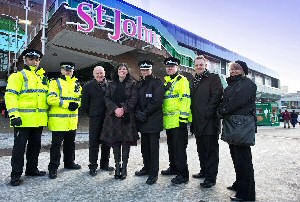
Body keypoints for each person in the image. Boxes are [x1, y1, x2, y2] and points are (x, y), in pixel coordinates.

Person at [5, 49, 48, 186]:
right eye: (31, 59)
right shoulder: (17, 76)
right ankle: (15, 175)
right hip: (22, 120)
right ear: (25, 60)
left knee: (35, 147)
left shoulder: (42, 78)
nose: (34, 62)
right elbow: (10, 96)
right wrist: (14, 114)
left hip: (38, 120)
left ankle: (31, 169)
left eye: (37, 59)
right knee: (19, 148)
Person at [218, 60, 256, 201]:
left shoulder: (247, 84)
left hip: (241, 125)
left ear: (243, 71)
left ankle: (246, 195)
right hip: (233, 125)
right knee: (236, 158)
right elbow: (224, 100)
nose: (233, 71)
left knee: (243, 160)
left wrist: (222, 111)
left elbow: (236, 102)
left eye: (237, 69)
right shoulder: (232, 84)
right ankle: (240, 184)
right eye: (232, 69)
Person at [101, 63, 139, 180]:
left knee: (126, 143)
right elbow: (106, 98)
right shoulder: (111, 84)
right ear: (117, 71)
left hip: (127, 117)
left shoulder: (133, 84)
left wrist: (123, 109)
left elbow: (134, 99)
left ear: (127, 71)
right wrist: (115, 109)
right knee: (115, 143)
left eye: (124, 69)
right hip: (113, 117)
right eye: (120, 69)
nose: (122, 70)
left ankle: (125, 168)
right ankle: (117, 167)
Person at [190, 55, 223, 188]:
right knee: (201, 149)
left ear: (206, 65)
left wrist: (206, 114)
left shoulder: (213, 78)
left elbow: (216, 97)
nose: (199, 67)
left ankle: (211, 177)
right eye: (197, 65)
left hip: (209, 122)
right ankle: (204, 171)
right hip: (197, 121)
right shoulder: (193, 81)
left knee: (211, 151)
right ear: (194, 66)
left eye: (201, 65)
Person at [47, 62, 82, 179]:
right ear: (61, 70)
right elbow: (51, 99)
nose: (68, 71)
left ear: (73, 71)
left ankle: (69, 163)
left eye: (70, 70)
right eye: (65, 69)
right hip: (58, 121)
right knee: (56, 145)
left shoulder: (76, 83)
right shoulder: (54, 82)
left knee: (70, 144)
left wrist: (76, 104)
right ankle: (53, 168)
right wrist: (67, 104)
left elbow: (80, 99)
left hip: (72, 121)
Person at [161, 57, 191, 184]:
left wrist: (183, 118)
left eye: (172, 67)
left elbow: (186, 99)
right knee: (171, 148)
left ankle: (183, 174)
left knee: (179, 150)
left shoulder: (182, 81)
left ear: (177, 67)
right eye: (168, 67)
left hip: (179, 121)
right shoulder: (166, 81)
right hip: (169, 122)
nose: (169, 68)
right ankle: (173, 168)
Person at [134, 60, 165, 185]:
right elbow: (135, 99)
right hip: (142, 121)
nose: (145, 71)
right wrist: (137, 113)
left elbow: (157, 101)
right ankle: (146, 168)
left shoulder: (157, 83)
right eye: (143, 70)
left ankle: (153, 173)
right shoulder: (140, 84)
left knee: (153, 149)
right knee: (144, 147)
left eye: (147, 69)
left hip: (153, 121)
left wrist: (144, 113)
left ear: (151, 70)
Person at [81, 66, 114, 177]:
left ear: (104, 73)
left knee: (107, 142)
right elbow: (84, 105)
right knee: (94, 143)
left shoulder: (111, 85)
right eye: (97, 73)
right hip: (95, 119)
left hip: (108, 118)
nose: (100, 75)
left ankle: (104, 164)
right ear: (93, 74)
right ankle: (93, 166)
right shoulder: (87, 86)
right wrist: (92, 114)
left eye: (101, 73)